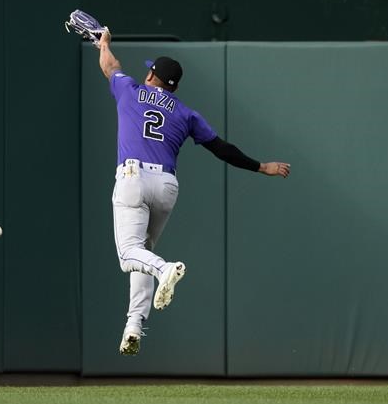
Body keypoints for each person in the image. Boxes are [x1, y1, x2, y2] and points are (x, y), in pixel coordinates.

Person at [96, 31, 291, 356]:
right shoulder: (185, 113)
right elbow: (221, 148)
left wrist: (103, 44)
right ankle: (133, 325)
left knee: (129, 255)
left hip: (132, 177)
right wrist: (262, 166)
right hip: (166, 187)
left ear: (150, 76)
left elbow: (110, 66)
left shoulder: (129, 90)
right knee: (141, 253)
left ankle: (164, 269)